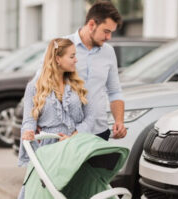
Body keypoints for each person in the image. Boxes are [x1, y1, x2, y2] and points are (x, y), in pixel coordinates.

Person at [32, 1, 127, 141]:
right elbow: (39, 84)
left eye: (111, 33)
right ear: (91, 25)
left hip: (98, 132)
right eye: (106, 31)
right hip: (64, 133)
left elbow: (114, 92)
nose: (109, 38)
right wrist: (34, 120)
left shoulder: (109, 52)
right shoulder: (61, 46)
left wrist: (119, 120)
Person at [18, 38, 94, 199]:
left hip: (75, 146)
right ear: (58, 59)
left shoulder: (79, 85)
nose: (76, 59)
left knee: (77, 191)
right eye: (72, 56)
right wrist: (28, 132)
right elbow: (29, 120)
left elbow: (90, 118)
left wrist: (73, 137)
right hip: (48, 150)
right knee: (46, 192)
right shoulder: (34, 87)